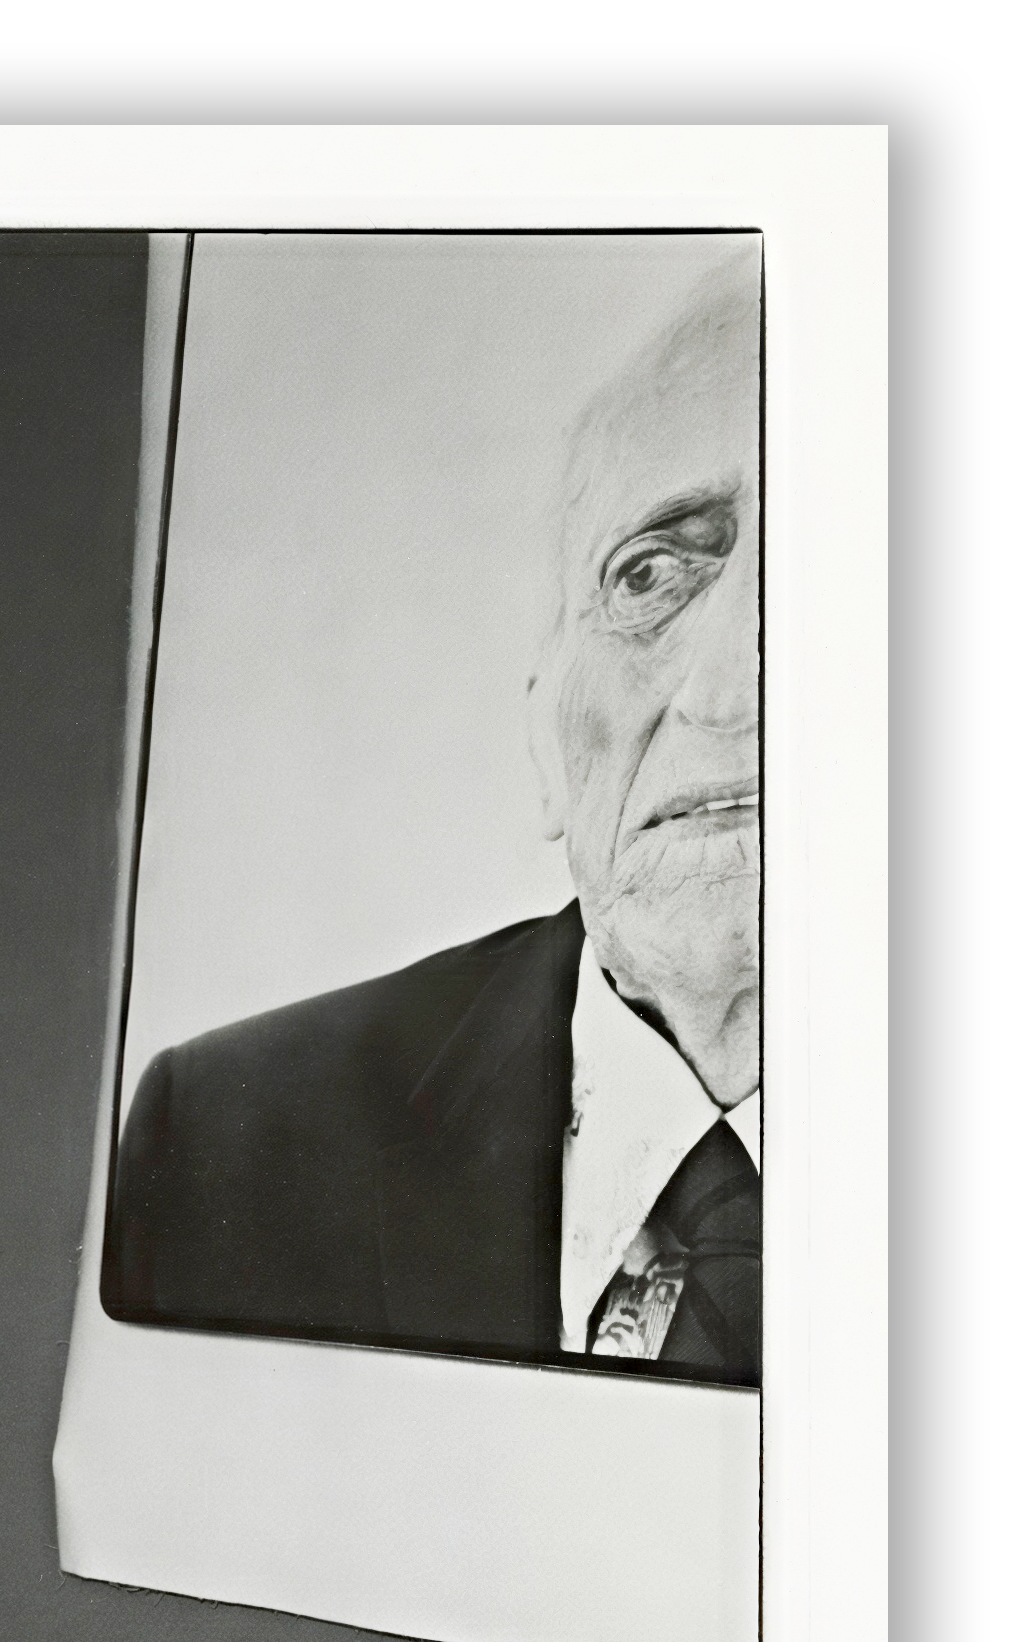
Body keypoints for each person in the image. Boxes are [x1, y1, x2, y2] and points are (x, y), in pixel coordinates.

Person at [104, 255, 760, 1382]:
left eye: (847, 565)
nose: (728, 688)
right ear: (542, 743)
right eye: (647, 575)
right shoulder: (221, 1146)